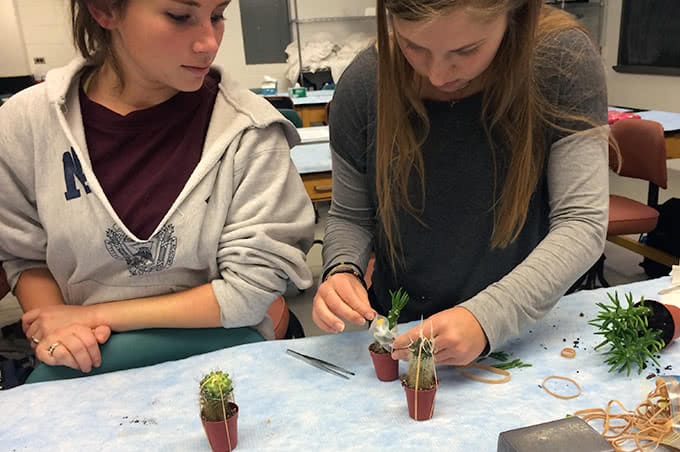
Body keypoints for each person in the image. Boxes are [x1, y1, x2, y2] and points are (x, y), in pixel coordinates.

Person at [0, 0, 314, 381]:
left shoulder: (251, 130)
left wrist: (89, 316)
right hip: (88, 363)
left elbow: (248, 291)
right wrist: (58, 329)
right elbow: (24, 255)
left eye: (217, 16)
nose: (209, 43)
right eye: (180, 17)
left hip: (223, 352)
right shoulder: (26, 124)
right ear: (104, 11)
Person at [313, 0, 609, 365]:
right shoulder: (363, 84)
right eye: (413, 46)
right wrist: (343, 268)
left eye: (467, 50)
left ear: (514, 13)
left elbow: (582, 222)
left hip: (532, 332)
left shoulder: (561, 61)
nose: (437, 75)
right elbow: (350, 216)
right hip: (406, 329)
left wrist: (487, 317)